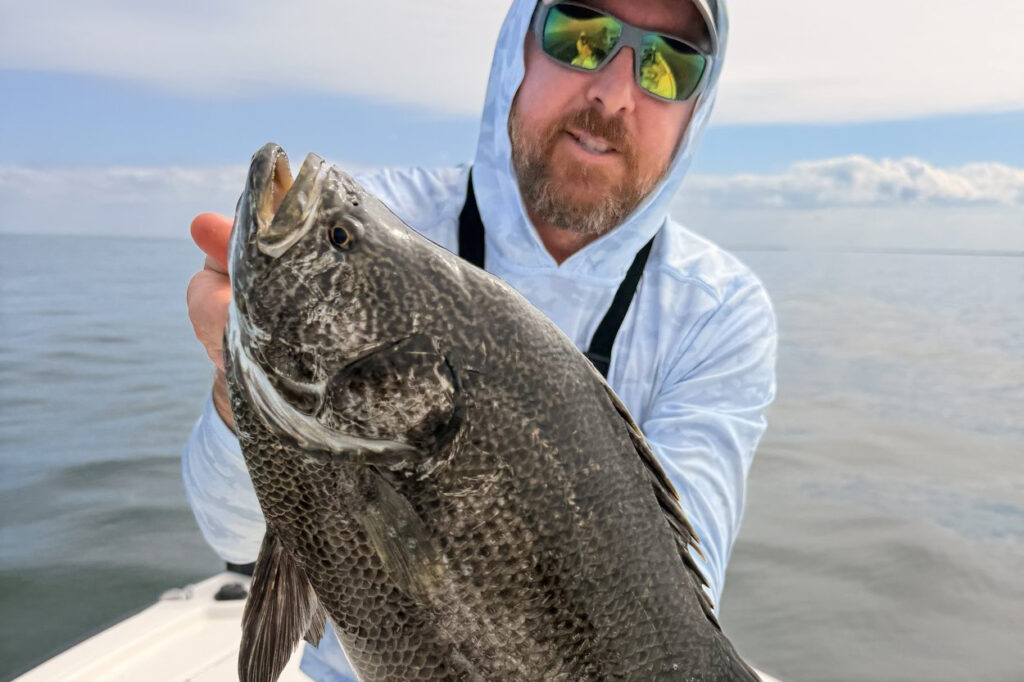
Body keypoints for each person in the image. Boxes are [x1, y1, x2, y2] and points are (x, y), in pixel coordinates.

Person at [183, 0, 776, 679]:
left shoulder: (719, 310)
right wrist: (238, 395)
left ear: (696, 111)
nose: (616, 92)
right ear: (515, 50)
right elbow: (231, 533)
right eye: (581, 34)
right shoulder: (391, 221)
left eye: (672, 64)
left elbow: (666, 630)